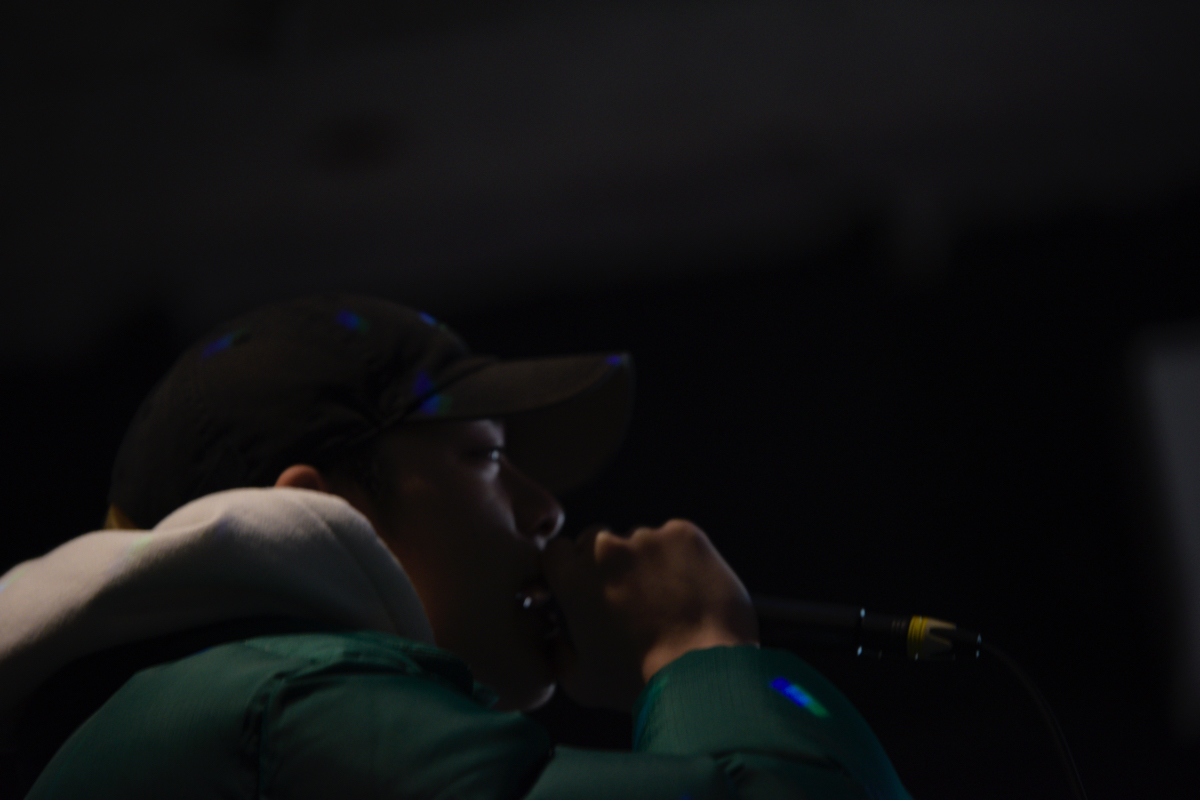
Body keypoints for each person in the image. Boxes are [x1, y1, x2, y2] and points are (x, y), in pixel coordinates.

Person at [0, 295, 912, 799]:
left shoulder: (203, 719)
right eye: (485, 458)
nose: (546, 511)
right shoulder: (289, 706)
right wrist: (697, 649)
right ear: (321, 507)